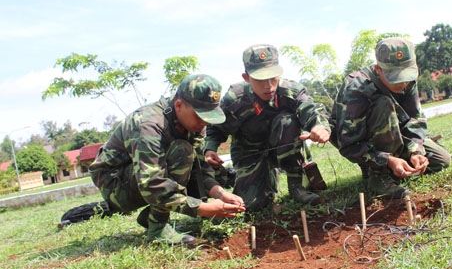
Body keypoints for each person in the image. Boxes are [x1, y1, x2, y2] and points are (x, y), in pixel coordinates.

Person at [90, 74, 245, 247]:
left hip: (140, 180)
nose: (204, 123)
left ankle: (151, 217)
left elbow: (200, 170)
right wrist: (204, 209)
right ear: (179, 105)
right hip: (116, 185)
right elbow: (151, 183)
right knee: (182, 151)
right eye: (200, 116)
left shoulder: (193, 125)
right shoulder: (149, 124)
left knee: (199, 161)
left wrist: (220, 194)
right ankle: (158, 231)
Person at [204, 44, 331, 212]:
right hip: (250, 154)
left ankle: (298, 186)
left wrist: (319, 126)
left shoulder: (291, 90)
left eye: (273, 78)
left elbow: (311, 110)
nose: (269, 86)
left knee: (287, 120)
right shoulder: (235, 98)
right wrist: (210, 149)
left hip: (285, 149)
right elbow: (216, 129)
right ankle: (265, 181)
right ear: (246, 77)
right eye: (261, 79)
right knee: (253, 205)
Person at [330, 37, 451, 199]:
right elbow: (349, 145)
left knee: (441, 160)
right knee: (383, 103)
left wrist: (415, 150)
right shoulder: (357, 88)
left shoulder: (408, 82)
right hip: (364, 143)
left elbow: (415, 118)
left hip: (397, 134)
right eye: (395, 77)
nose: (403, 84)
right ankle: (377, 175)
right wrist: (386, 160)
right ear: (378, 70)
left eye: (406, 76)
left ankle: (400, 163)